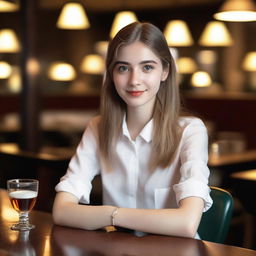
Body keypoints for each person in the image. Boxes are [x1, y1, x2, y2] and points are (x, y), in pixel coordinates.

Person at [52, 22, 212, 238]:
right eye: (123, 68)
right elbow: (62, 211)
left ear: (165, 71)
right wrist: (112, 214)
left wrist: (111, 216)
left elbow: (186, 224)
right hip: (117, 250)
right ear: (111, 74)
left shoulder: (190, 130)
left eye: (147, 67)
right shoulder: (98, 127)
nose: (134, 80)